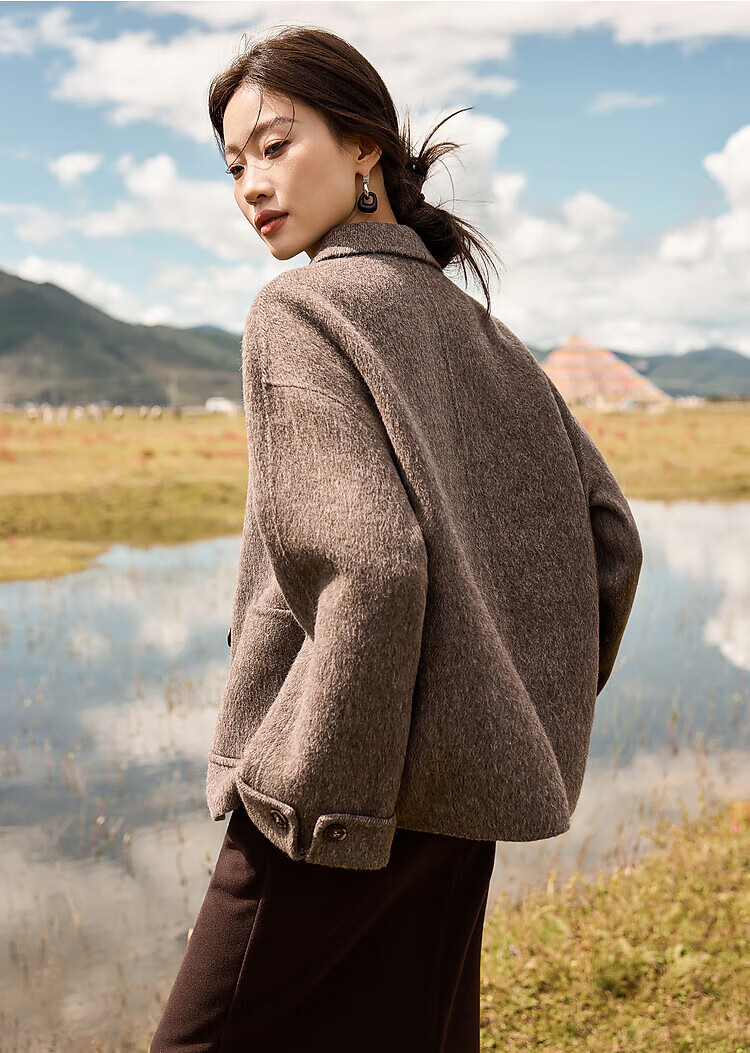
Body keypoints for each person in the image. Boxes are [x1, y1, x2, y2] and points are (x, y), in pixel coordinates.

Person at [150, 24, 643, 1053]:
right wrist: (500, 711)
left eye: (276, 144)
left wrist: (321, 789)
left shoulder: (301, 309)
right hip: (461, 794)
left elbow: (371, 564)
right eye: (234, 165)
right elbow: (611, 544)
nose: (252, 184)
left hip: (329, 802)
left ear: (364, 143)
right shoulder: (489, 337)